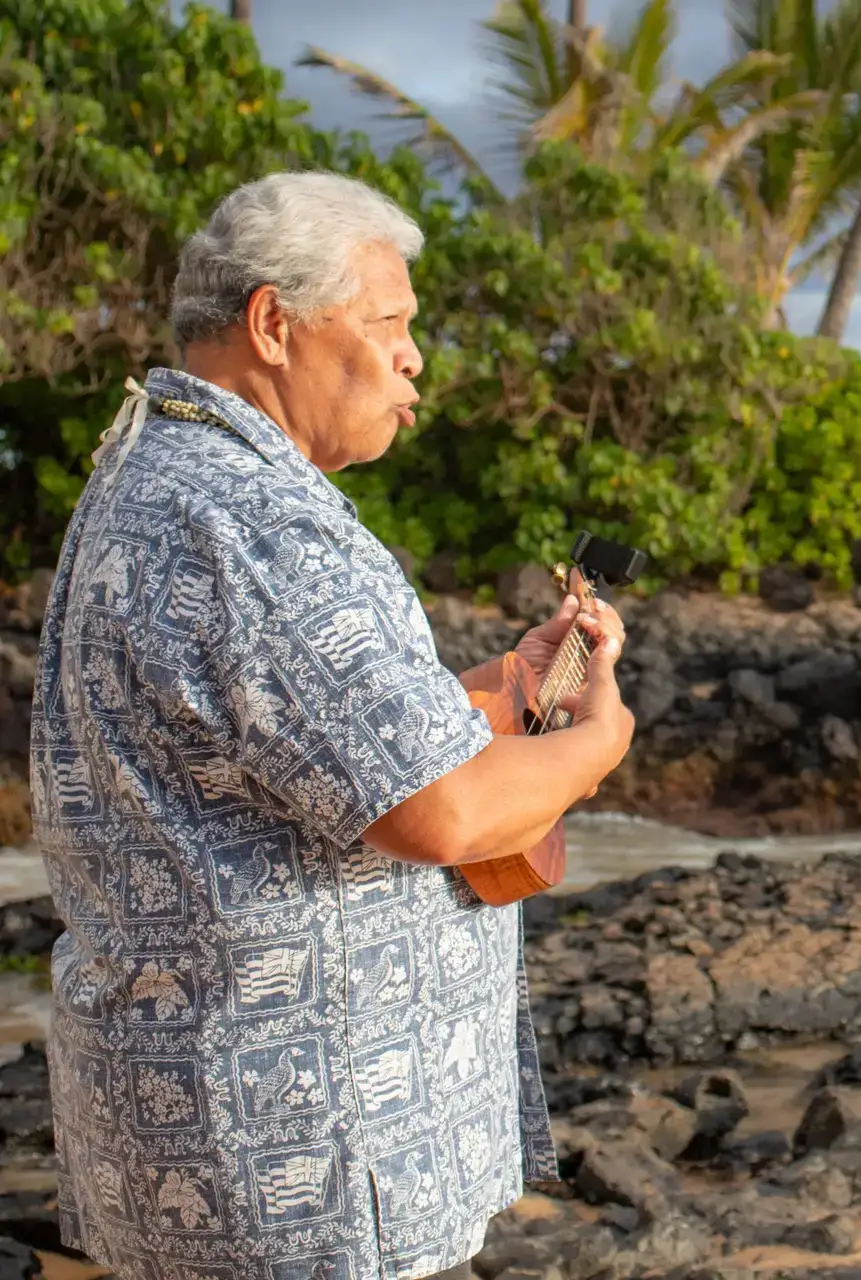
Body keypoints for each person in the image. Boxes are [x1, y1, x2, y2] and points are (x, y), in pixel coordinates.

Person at [29, 172, 635, 1280]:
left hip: (199, 1152)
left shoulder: (158, 471)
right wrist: (599, 743)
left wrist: (506, 681)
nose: (414, 358)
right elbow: (443, 809)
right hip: (299, 1174)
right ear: (273, 322)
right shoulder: (253, 521)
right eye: (391, 323)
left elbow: (297, 742)